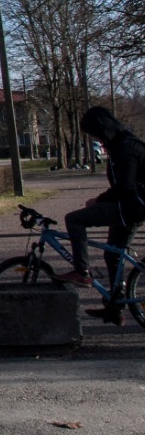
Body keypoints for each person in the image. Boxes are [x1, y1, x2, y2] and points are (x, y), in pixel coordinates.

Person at [54, 107, 145, 324]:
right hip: (130, 206)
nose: (96, 140)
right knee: (113, 255)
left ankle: (82, 271)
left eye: (95, 135)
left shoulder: (127, 148)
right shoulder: (120, 145)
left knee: (74, 219)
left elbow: (125, 186)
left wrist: (99, 200)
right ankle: (115, 308)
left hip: (131, 206)